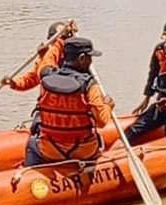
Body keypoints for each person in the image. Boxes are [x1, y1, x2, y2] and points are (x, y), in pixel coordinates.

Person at [24, 37, 114, 166]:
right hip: (83, 152)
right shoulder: (89, 85)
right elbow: (102, 121)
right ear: (82, 58)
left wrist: (60, 40)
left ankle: (31, 174)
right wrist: (108, 106)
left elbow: (47, 61)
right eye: (90, 57)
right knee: (97, 137)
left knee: (32, 142)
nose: (91, 62)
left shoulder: (46, 78)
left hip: (51, 151)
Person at [0, 20, 77, 91]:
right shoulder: (45, 58)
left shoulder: (78, 58)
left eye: (62, 39)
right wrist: (14, 83)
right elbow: (31, 79)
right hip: (49, 103)